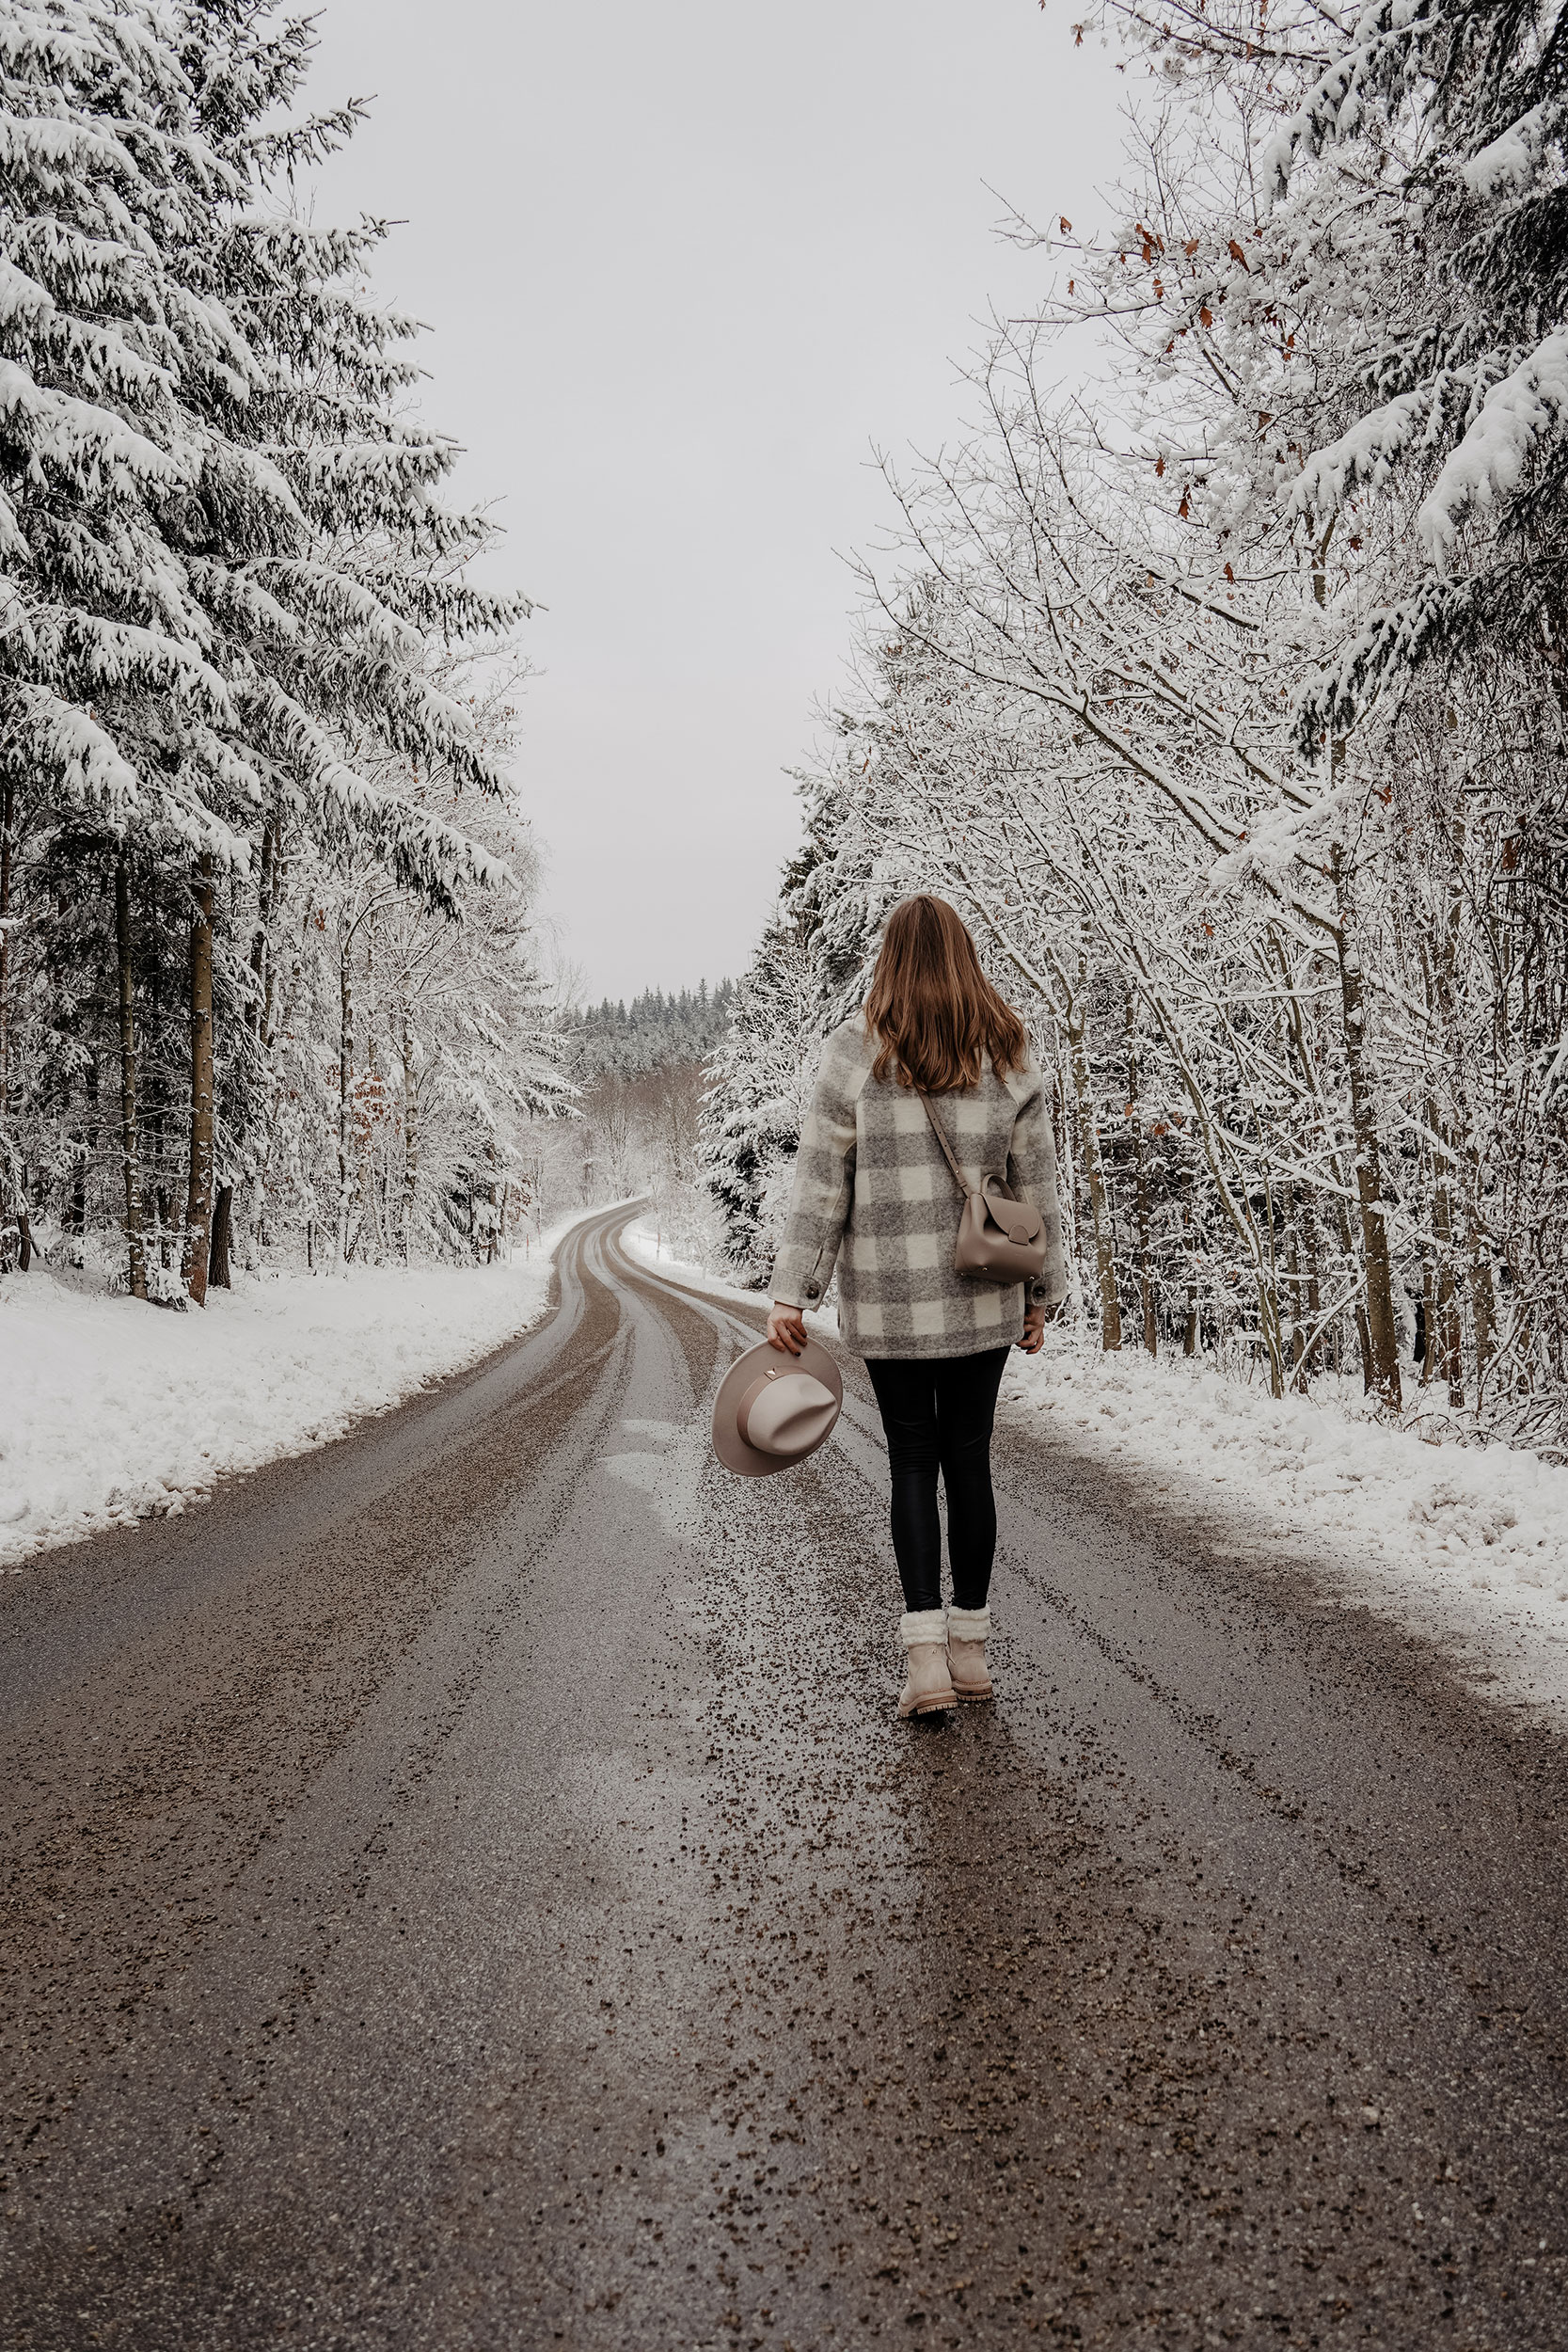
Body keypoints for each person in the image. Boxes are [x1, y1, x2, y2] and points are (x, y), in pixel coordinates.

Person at [766, 895, 1068, 1718]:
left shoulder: (855, 1052)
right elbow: (1038, 1184)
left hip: (889, 1300)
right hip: (985, 1292)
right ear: (965, 956)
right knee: (969, 1462)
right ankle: (970, 1653)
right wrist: (1045, 1292)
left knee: (909, 1462)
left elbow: (821, 1186)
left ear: (888, 961)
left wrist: (793, 1290)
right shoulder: (1006, 1051)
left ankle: (925, 1665)